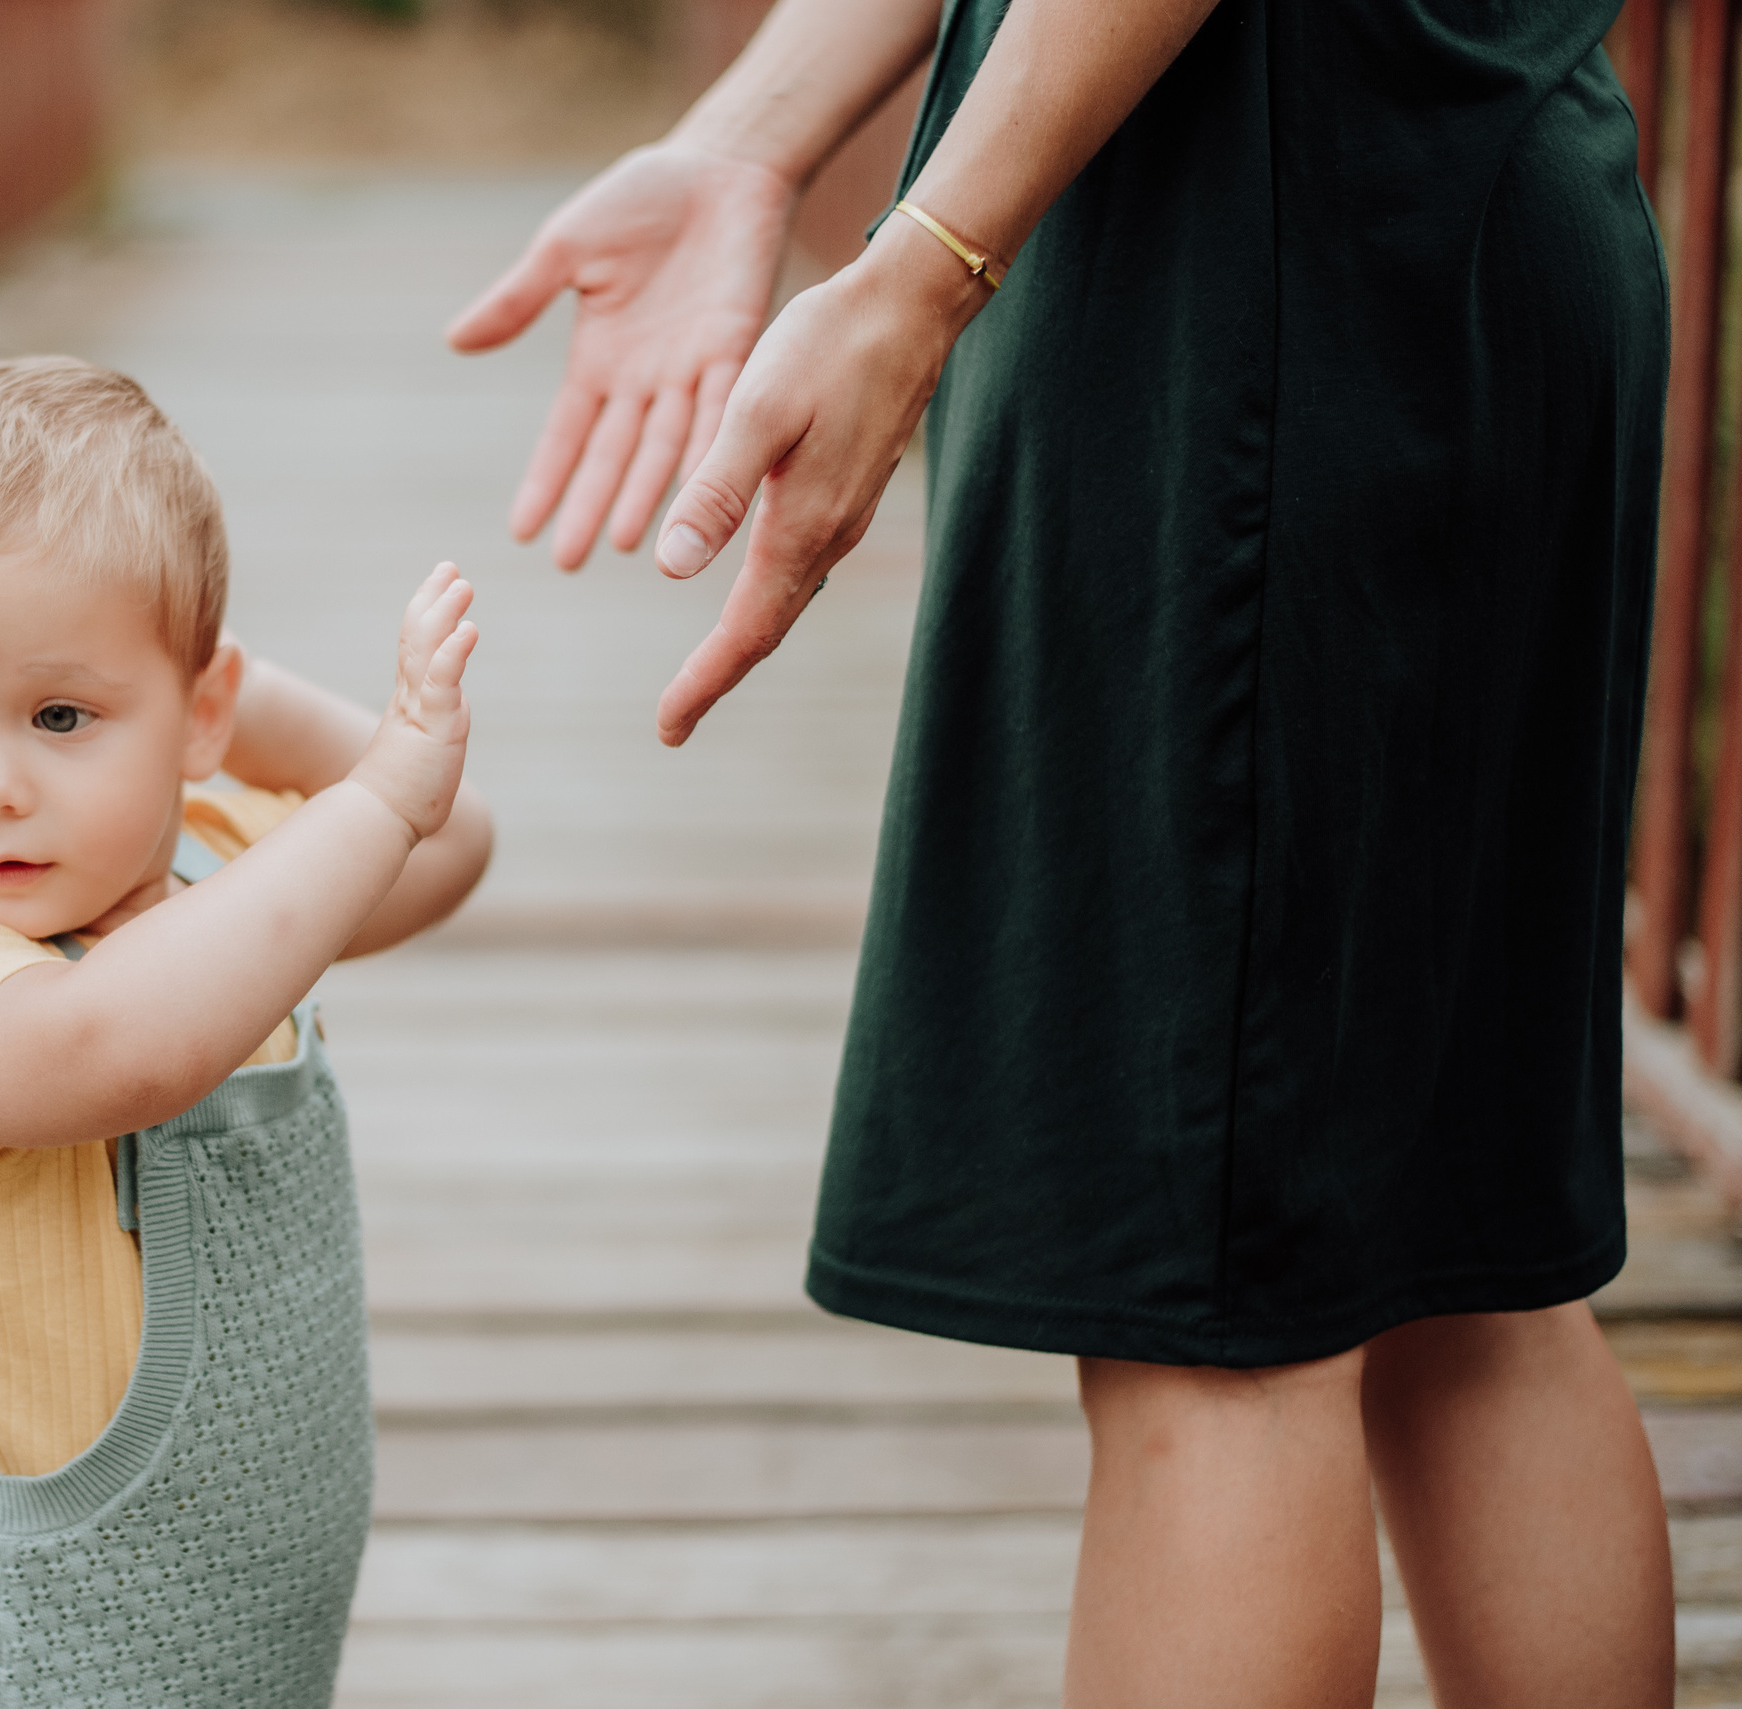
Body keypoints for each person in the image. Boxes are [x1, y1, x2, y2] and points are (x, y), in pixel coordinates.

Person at [452, 0, 1675, 1704]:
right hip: (1455, 191)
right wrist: (750, 141)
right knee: (1462, 1269)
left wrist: (920, 263)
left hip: (1253, 276)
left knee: (1218, 1313)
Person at [0, 357, 488, 1705]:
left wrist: (229, 706)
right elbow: (127, 1050)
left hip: (244, 1645)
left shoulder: (231, 872)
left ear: (198, 713)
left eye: (62, 712)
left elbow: (447, 845)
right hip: (46, 1660)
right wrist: (375, 785)